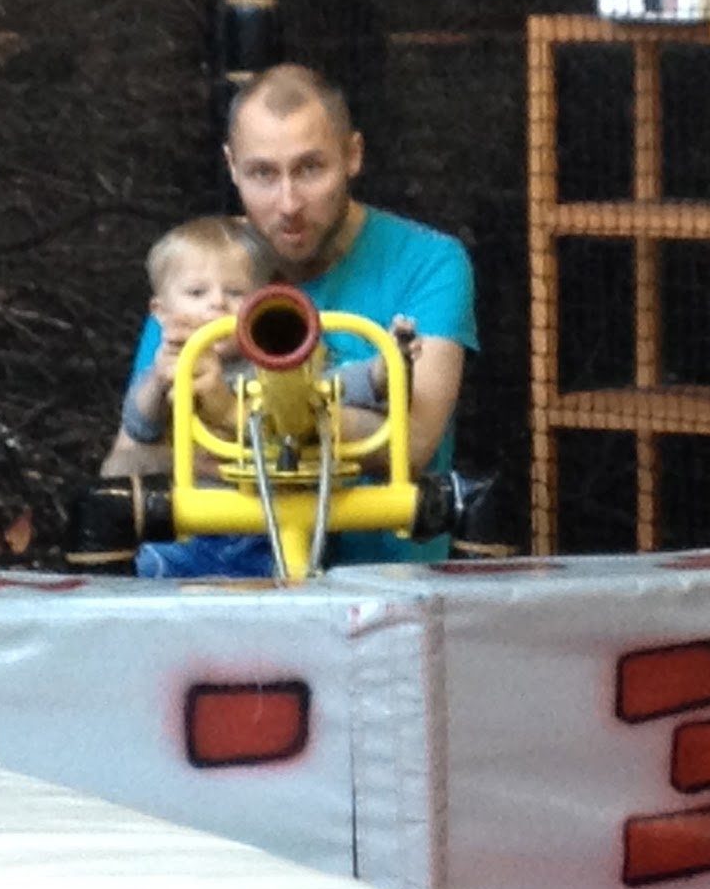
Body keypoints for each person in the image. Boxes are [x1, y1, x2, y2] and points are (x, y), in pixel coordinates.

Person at [104, 63, 478, 569]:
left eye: (309, 169)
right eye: (263, 173)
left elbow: (412, 445)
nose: (288, 203)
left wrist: (227, 423)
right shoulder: (206, 265)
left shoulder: (429, 261)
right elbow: (124, 464)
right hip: (214, 582)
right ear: (232, 167)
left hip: (385, 582)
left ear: (353, 155)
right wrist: (348, 430)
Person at [111, 213, 413, 578]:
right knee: (144, 575)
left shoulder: (273, 360)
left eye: (236, 293)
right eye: (196, 293)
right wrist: (159, 382)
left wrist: (383, 369)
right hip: (188, 528)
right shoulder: (173, 364)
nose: (217, 304)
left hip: (268, 532)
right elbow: (139, 427)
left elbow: (332, 388)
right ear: (161, 312)